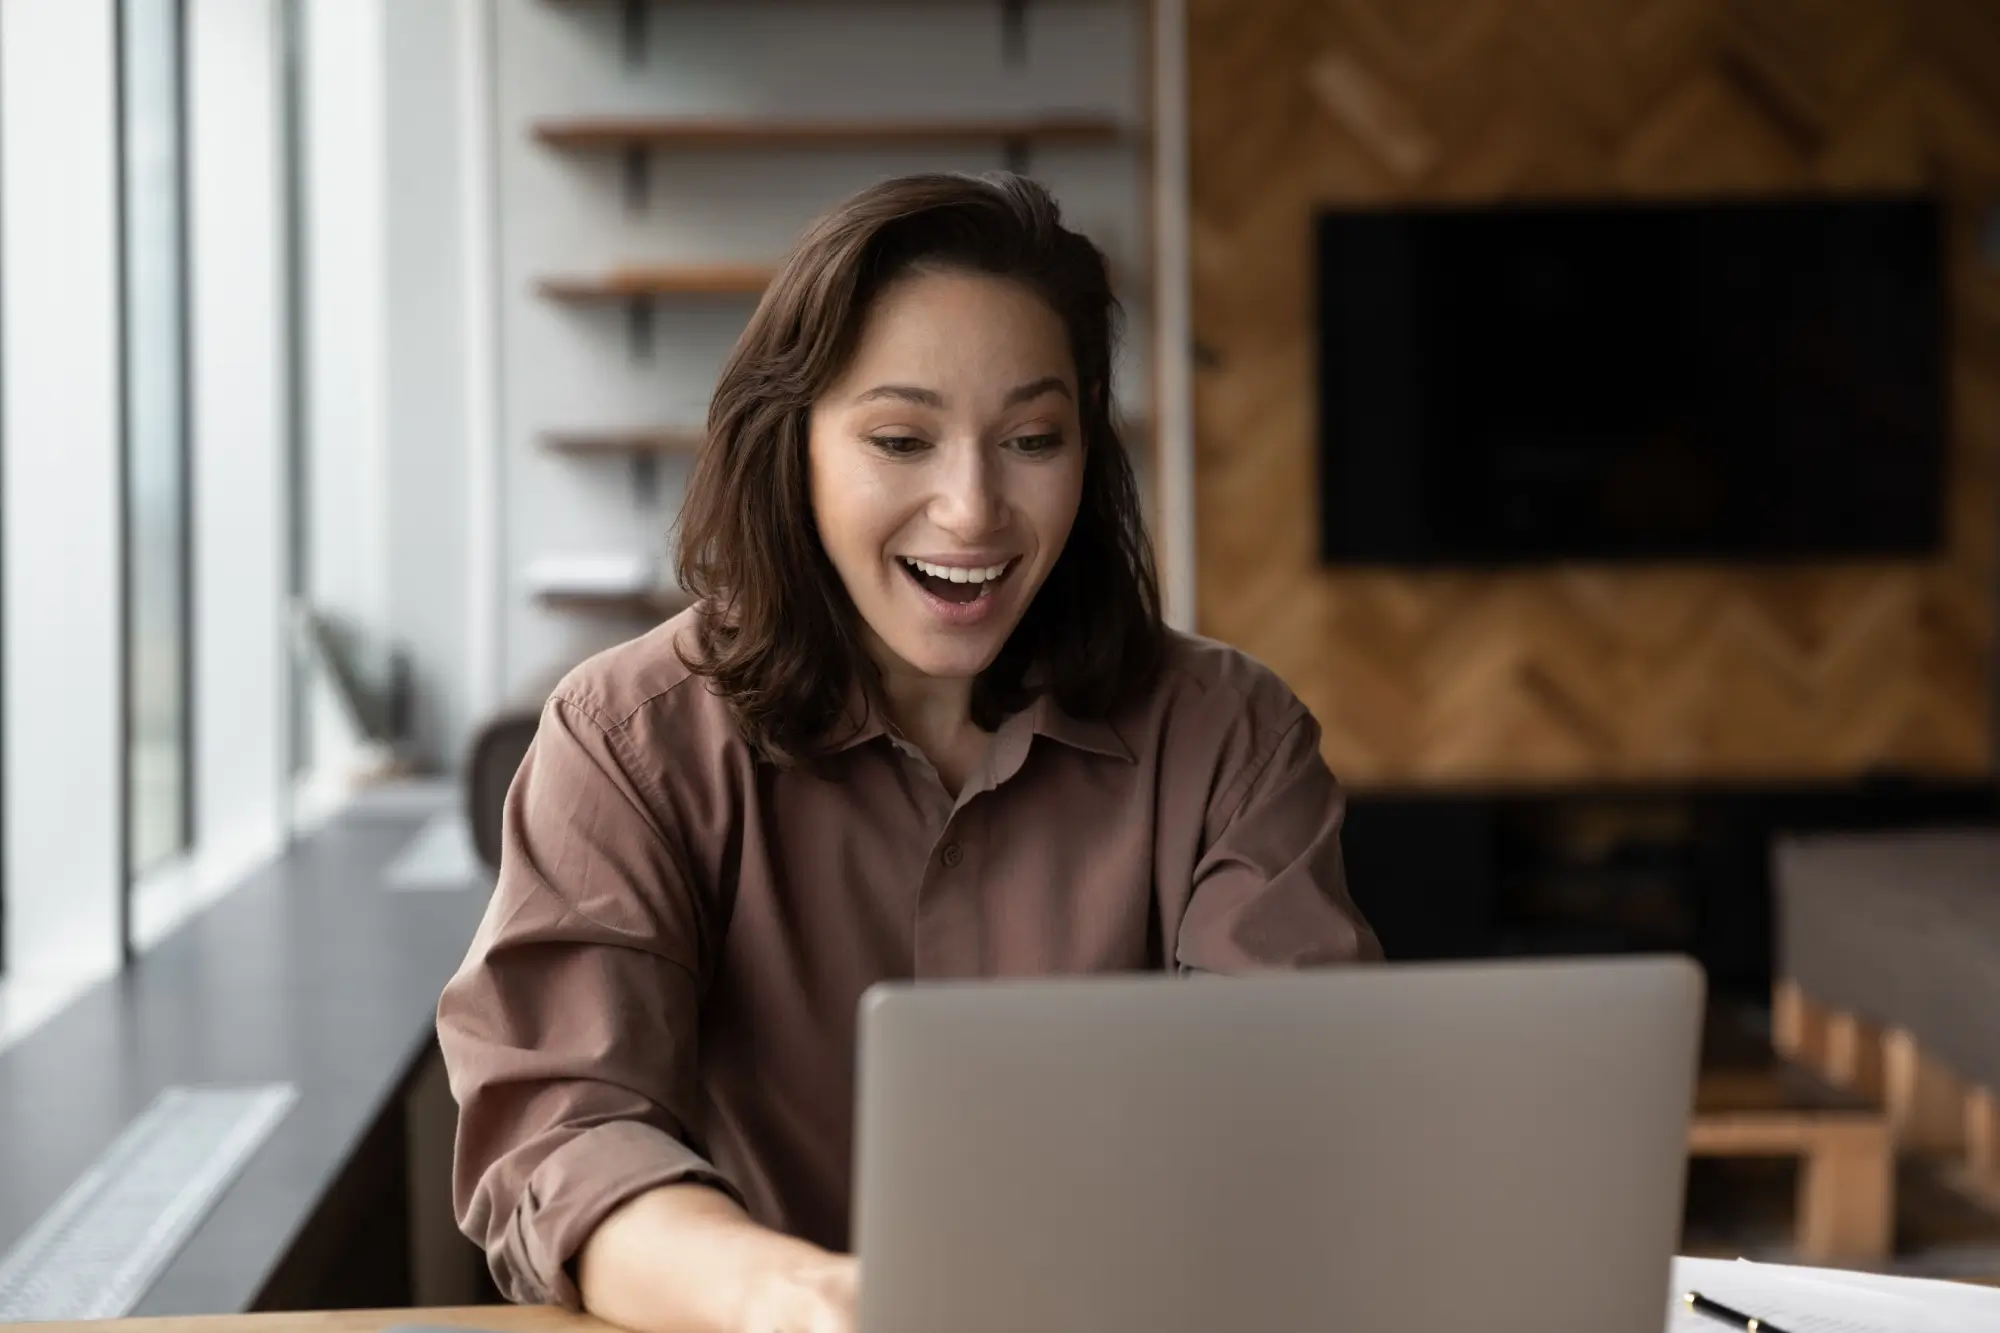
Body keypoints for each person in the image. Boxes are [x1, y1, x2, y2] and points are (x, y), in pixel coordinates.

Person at [436, 171, 1381, 1333]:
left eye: (1033, 438)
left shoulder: (1230, 736)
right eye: (899, 438)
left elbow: (1291, 1115)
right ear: (793, 447)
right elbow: (559, 1133)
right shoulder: (627, 737)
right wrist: (792, 1298)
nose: (973, 508)